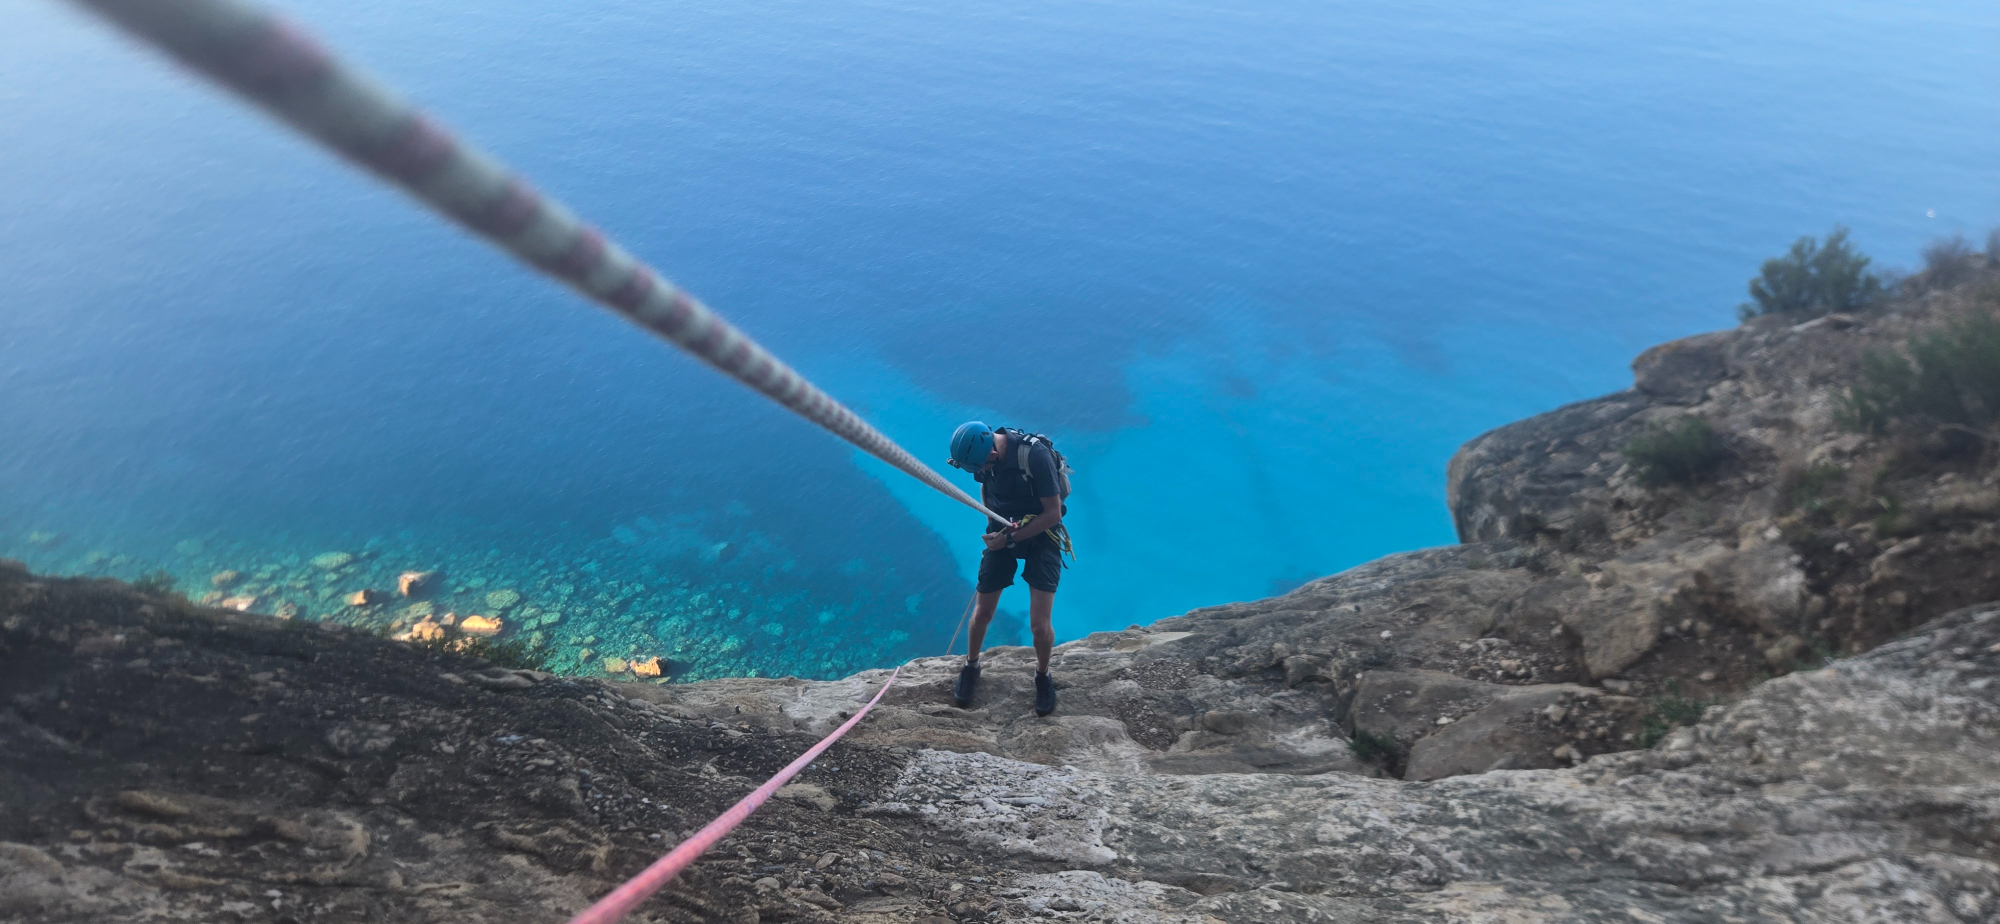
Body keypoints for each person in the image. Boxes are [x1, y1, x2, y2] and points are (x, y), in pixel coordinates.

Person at [946, 420, 1065, 716]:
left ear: (992, 453)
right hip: (1002, 530)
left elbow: (1053, 513)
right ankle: (971, 665)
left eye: (983, 466)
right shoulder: (983, 458)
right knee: (982, 612)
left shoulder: (1034, 456)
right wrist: (993, 524)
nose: (981, 472)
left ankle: (1042, 675)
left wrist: (1010, 539)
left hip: (1042, 534)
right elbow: (986, 488)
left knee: (1039, 625)